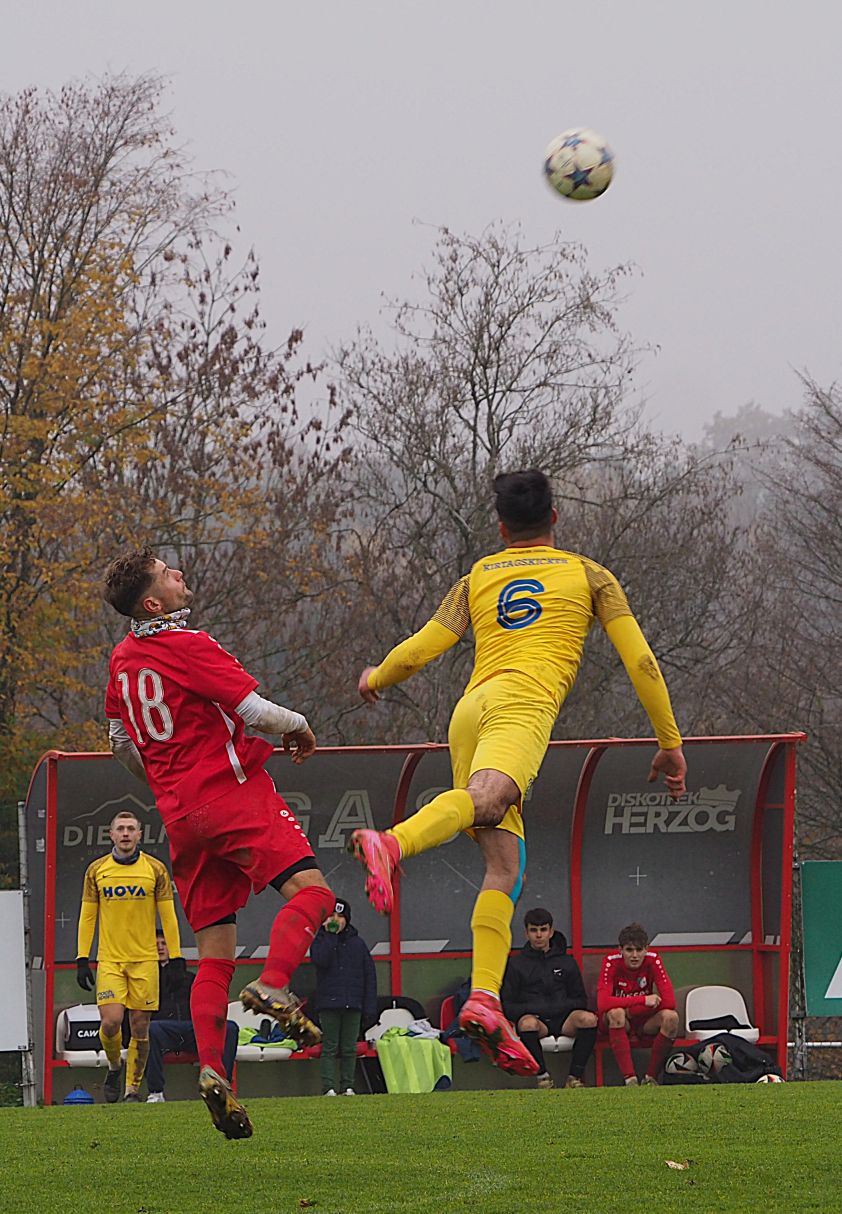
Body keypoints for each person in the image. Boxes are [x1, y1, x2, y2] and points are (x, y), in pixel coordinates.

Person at [349, 469, 687, 1076]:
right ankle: (392, 843)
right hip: (521, 705)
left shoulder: (478, 576)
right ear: (554, 518)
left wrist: (378, 676)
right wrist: (669, 742)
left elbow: (422, 647)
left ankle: (483, 997)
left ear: (502, 528)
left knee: (506, 865)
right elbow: (640, 660)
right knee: (484, 800)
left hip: (471, 709)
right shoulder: (590, 576)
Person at [103, 547, 335, 1138]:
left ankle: (212, 1071)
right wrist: (300, 725)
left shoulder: (122, 658)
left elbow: (120, 741)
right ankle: (274, 985)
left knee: (215, 954)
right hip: (231, 793)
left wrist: (165, 781)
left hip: (180, 816)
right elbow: (255, 711)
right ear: (152, 603)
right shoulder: (187, 645)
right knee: (315, 894)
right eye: (167, 573)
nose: (178, 573)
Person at [76, 810, 186, 1103]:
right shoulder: (96, 870)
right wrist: (82, 958)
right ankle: (114, 1067)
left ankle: (132, 1090)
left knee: (140, 1025)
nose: (125, 833)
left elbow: (169, 916)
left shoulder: (155, 869)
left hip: (145, 961)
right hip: (111, 960)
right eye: (120, 828)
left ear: (139, 834)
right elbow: (88, 916)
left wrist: (176, 958)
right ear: (111, 835)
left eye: (131, 829)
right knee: (111, 1022)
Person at [501, 907, 597, 1089]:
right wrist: (536, 1009)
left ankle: (574, 1078)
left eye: (543, 930)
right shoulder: (515, 964)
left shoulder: (566, 962)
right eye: (534, 930)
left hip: (564, 1019)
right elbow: (508, 1005)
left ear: (551, 932)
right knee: (526, 1024)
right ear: (526, 933)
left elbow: (580, 1000)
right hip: (537, 1022)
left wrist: (557, 1007)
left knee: (589, 1019)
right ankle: (542, 1077)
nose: (539, 935)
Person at [146, 931, 238, 1103]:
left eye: (164, 944)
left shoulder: (189, 978)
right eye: (155, 945)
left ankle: (221, 1086)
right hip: (165, 1032)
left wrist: (177, 970)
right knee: (152, 1028)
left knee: (230, 1028)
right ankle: (156, 1092)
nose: (160, 948)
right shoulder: (145, 980)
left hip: (193, 1030)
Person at [310, 897, 377, 1096]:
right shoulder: (321, 941)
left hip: (353, 1003)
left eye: (340, 916)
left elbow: (369, 976)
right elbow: (320, 960)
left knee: (349, 1047)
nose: (336, 920)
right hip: (328, 1003)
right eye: (331, 916)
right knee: (329, 1046)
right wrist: (330, 936)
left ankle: (348, 1085)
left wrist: (369, 1007)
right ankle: (328, 1087)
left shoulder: (358, 944)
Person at [597, 922, 679, 1085]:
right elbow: (603, 1003)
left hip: (643, 1021)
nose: (634, 955)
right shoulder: (611, 962)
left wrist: (632, 1011)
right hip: (617, 1021)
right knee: (616, 1013)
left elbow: (670, 1001)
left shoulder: (653, 960)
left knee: (671, 1017)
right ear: (620, 950)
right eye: (629, 950)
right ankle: (630, 1079)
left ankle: (651, 1078)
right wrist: (642, 1000)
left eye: (639, 950)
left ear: (646, 949)